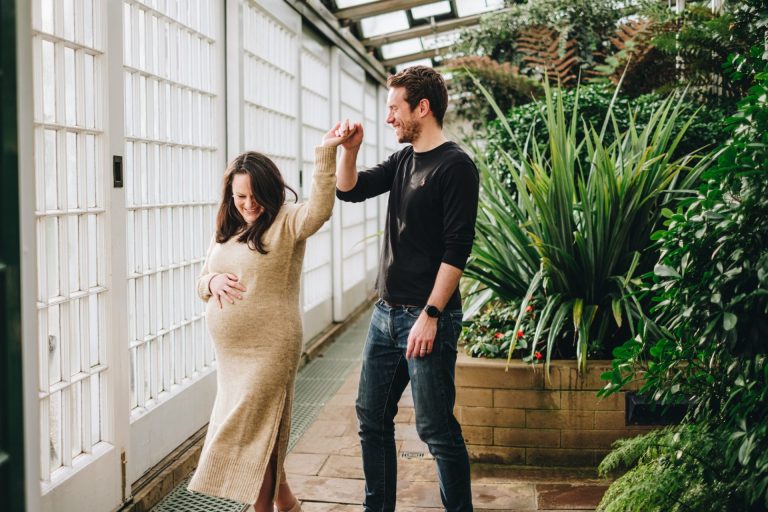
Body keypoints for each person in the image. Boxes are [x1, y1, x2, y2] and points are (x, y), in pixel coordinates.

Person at [187, 124, 354, 512]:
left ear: (270, 190)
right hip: (232, 359)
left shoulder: (288, 221)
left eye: (254, 195)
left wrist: (326, 153)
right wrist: (211, 281)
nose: (248, 203)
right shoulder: (226, 228)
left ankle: (261, 507)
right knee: (265, 427)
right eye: (239, 195)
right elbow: (200, 283)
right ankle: (286, 501)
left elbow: (322, 209)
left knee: (255, 432)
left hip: (270, 348)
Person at [335, 65, 479, 512]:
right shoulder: (403, 160)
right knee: (371, 419)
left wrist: (431, 316)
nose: (388, 117)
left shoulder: (456, 166)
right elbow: (349, 190)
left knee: (435, 429)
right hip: (385, 316)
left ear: (423, 107)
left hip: (426, 319)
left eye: (394, 108)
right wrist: (349, 150)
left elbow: (457, 250)